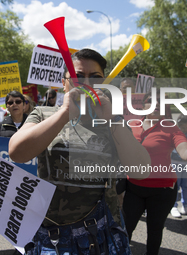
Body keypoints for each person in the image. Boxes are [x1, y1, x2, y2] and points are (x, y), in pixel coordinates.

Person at [9, 49, 151, 255]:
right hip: (51, 236)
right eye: (77, 77)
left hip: (101, 235)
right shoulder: (43, 113)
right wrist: (64, 114)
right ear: (64, 82)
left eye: (95, 77)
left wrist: (112, 119)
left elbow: (141, 171)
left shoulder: (113, 119)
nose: (86, 83)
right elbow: (16, 153)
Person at [123, 90, 187, 255]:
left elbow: (185, 154)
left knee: (154, 231)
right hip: (133, 187)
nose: (156, 104)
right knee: (125, 230)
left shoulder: (171, 128)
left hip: (161, 190)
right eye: (151, 101)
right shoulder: (132, 125)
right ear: (143, 106)